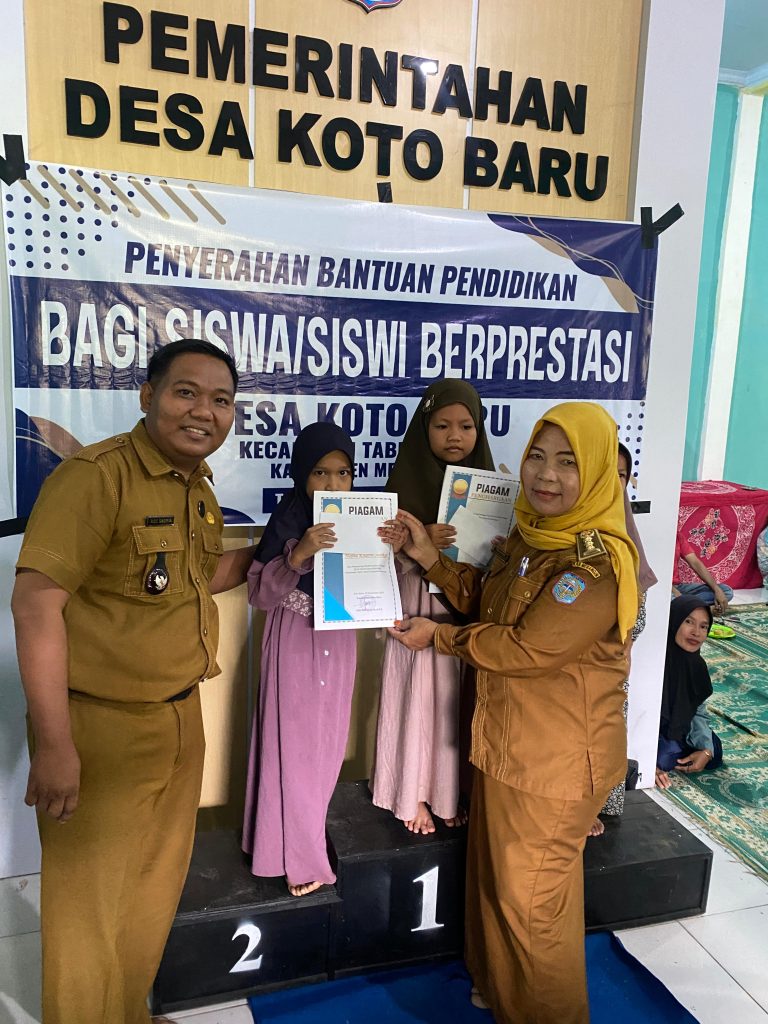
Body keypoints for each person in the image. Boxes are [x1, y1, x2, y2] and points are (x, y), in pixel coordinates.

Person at [11, 339, 258, 1024]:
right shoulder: (96, 477)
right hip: (100, 729)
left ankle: (125, 1012)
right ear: (148, 396)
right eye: (186, 392)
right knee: (87, 910)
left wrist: (274, 552)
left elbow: (195, 580)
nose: (204, 411)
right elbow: (35, 605)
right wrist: (55, 745)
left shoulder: (196, 487)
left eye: (221, 400)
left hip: (179, 720)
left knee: (151, 892)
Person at [385, 401, 639, 1024]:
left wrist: (439, 637)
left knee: (532, 909)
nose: (546, 475)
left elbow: (530, 647)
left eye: (568, 462)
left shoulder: (596, 565)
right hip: (506, 744)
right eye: (537, 457)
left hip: (554, 762)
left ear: (597, 472)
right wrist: (430, 558)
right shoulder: (531, 535)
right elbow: (488, 602)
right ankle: (501, 992)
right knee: (497, 886)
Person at [370, 380, 495, 835]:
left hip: (466, 610)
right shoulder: (401, 487)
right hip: (416, 603)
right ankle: (412, 793)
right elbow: (375, 558)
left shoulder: (492, 488)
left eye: (466, 425)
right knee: (416, 697)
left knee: (454, 704)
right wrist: (418, 538)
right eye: (442, 425)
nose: (454, 435)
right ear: (425, 428)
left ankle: (449, 791)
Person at [242, 422, 359, 897]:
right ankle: (300, 860)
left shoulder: (361, 519)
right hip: (295, 637)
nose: (333, 484)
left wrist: (391, 547)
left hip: (340, 641)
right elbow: (259, 594)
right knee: (293, 747)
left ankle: (280, 842)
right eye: (320, 472)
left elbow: (372, 583)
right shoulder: (289, 519)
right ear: (301, 473)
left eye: (343, 473)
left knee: (326, 747)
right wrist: (299, 555)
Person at [590, 442, 658, 834]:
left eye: (620, 475)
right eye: (604, 471)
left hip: (611, 659)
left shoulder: (624, 530)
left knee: (606, 731)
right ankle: (577, 806)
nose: (613, 483)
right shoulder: (565, 524)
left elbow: (638, 607)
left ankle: (598, 805)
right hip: (566, 658)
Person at [655, 596, 723, 790]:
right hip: (640, 729)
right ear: (673, 621)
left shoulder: (696, 665)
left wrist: (706, 750)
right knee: (664, 759)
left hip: (674, 727)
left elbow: (697, 711)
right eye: (688, 622)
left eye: (703, 626)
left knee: (714, 751)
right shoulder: (653, 658)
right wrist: (642, 760)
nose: (696, 632)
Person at [672, 525, 732, 613]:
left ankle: (687, 607)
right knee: (668, 599)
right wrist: (676, 594)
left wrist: (716, 589)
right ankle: (700, 609)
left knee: (726, 591)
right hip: (663, 589)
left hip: (679, 587)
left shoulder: (677, 536)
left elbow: (695, 563)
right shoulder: (655, 537)